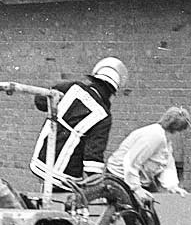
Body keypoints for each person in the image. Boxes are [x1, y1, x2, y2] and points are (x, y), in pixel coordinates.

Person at [29, 56, 127, 191]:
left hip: (40, 162)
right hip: (66, 179)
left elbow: (40, 101)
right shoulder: (104, 116)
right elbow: (92, 159)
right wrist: (98, 187)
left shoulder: (71, 88)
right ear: (112, 91)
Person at [106, 106, 191, 203]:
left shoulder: (165, 140)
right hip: (120, 177)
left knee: (154, 207)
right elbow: (131, 161)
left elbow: (166, 164)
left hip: (140, 179)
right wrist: (136, 189)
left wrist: (172, 186)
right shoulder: (154, 136)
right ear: (177, 130)